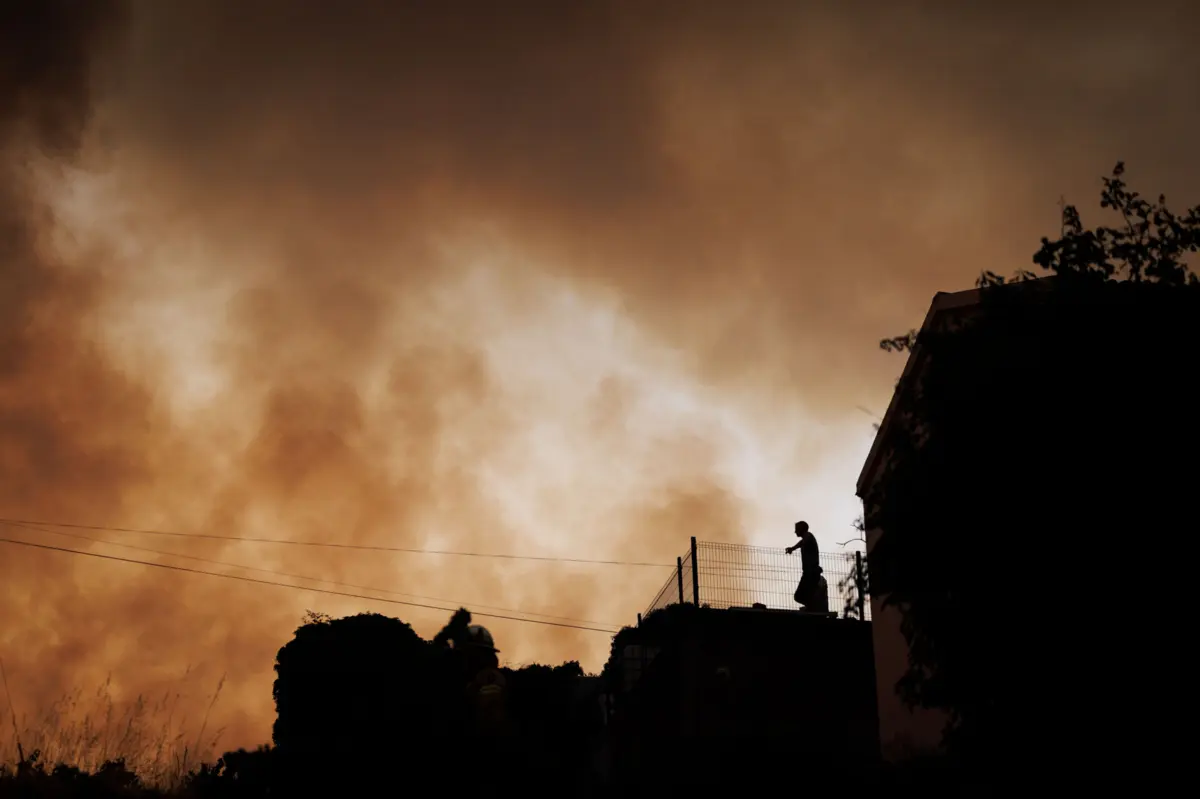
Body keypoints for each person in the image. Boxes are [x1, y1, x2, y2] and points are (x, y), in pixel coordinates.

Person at [787, 521, 828, 611]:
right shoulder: (807, 538)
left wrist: (792, 548)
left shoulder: (809, 537)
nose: (795, 531)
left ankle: (813, 608)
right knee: (801, 596)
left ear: (802, 529)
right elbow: (802, 542)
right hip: (808, 573)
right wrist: (792, 548)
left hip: (811, 573)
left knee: (799, 596)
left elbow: (803, 542)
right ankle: (812, 607)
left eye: (797, 529)